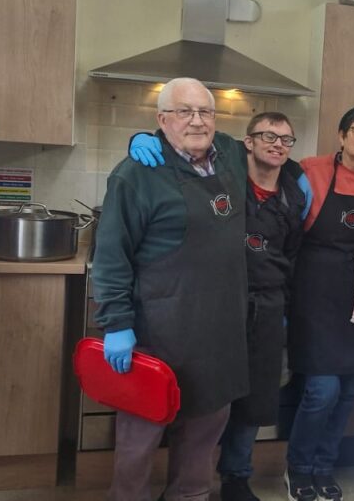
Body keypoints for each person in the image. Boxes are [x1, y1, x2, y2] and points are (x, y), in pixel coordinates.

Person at [125, 112, 312, 501]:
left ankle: (235, 478)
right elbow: (188, 140)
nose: (277, 145)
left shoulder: (295, 191)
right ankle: (176, 484)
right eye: (267, 136)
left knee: (255, 396)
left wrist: (284, 305)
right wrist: (145, 137)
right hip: (217, 301)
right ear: (247, 142)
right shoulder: (225, 177)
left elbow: (293, 252)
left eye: (286, 139)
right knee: (206, 396)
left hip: (268, 302)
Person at [92, 78, 249, 501]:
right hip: (159, 332)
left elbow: (275, 152)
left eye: (206, 112)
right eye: (184, 112)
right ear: (162, 119)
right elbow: (110, 257)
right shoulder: (134, 175)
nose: (197, 121)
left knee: (203, 443)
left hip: (219, 333)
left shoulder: (232, 154)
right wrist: (116, 323)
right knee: (138, 444)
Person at [285, 106, 354, 501]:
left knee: (349, 389)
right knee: (321, 390)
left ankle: (324, 467)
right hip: (314, 290)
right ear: (342, 135)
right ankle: (298, 466)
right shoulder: (308, 169)